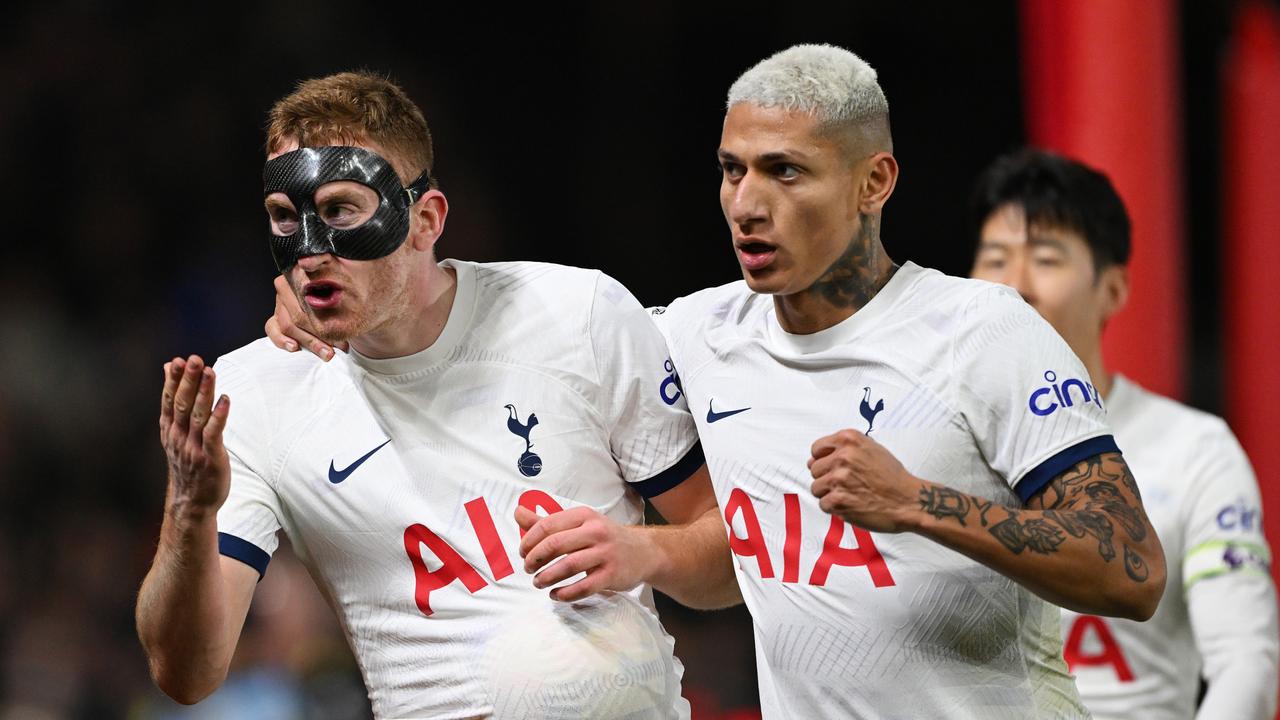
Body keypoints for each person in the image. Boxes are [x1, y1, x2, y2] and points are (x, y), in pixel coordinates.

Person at [269, 47, 1168, 719]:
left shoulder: (984, 335)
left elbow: (1131, 569)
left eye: (787, 171)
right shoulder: (694, 336)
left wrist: (921, 504)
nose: (746, 202)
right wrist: (330, 298)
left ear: (874, 182)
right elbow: (502, 331)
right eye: (733, 169)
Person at [135, 71, 739, 720]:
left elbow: (730, 561)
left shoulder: (579, 316)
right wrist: (190, 512)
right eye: (286, 218)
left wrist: (642, 551)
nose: (309, 252)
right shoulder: (253, 397)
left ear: (425, 219)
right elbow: (186, 675)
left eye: (340, 211)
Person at [969, 148, 1278, 720]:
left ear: (1112, 291)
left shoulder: (1195, 450)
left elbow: (1244, 662)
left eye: (1045, 258)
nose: (1012, 287)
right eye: (993, 258)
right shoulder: (926, 446)